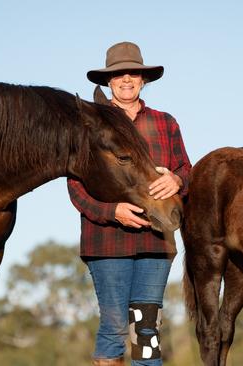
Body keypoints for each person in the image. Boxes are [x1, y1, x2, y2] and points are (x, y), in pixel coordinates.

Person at [67, 41, 191, 366]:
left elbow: (185, 169)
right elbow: (75, 186)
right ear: (108, 81)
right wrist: (113, 211)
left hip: (156, 242)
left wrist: (178, 181)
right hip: (107, 243)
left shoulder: (166, 123)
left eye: (132, 73)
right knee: (113, 328)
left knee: (146, 332)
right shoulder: (90, 124)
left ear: (143, 79)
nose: (126, 79)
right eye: (118, 74)